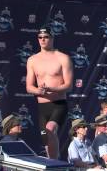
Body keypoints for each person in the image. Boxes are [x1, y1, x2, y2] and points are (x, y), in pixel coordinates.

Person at [26, 26, 73, 159]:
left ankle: (55, 165)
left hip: (58, 104)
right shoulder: (32, 60)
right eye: (40, 37)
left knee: (50, 129)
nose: (42, 40)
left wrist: (52, 89)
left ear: (52, 38)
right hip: (42, 106)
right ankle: (53, 163)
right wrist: (38, 90)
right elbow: (29, 87)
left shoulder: (63, 58)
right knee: (47, 142)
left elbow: (69, 85)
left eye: (46, 37)